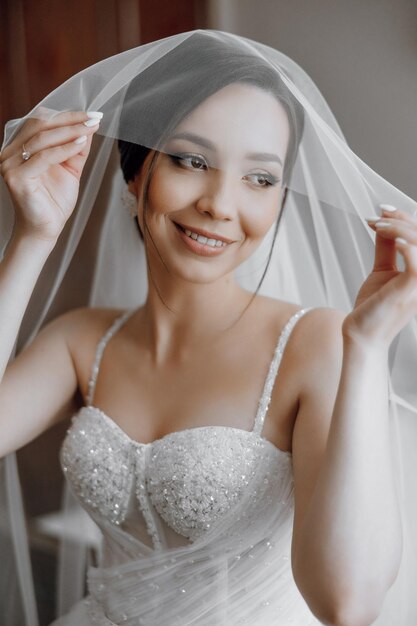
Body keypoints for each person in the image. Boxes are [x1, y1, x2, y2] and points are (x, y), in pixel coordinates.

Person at [0, 30, 416, 626]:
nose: (221, 204)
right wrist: (34, 235)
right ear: (136, 172)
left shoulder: (316, 343)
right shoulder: (83, 342)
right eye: (192, 161)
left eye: (261, 178)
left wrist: (369, 345)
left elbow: (346, 606)